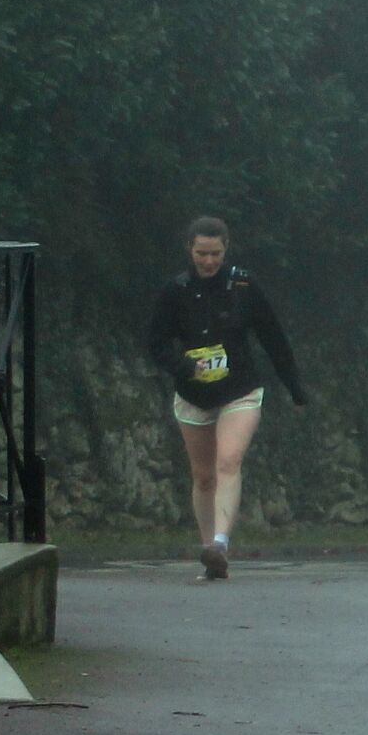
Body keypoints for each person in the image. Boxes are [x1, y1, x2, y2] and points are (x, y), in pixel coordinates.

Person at [144, 217, 309, 579]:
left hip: (240, 389)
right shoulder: (175, 291)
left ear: (226, 249)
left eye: (215, 254)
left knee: (229, 461)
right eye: (202, 253)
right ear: (189, 249)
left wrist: (295, 387)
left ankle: (221, 543)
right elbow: (156, 343)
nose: (209, 261)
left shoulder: (244, 286)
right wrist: (184, 366)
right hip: (194, 393)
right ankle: (210, 552)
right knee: (203, 476)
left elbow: (273, 337)